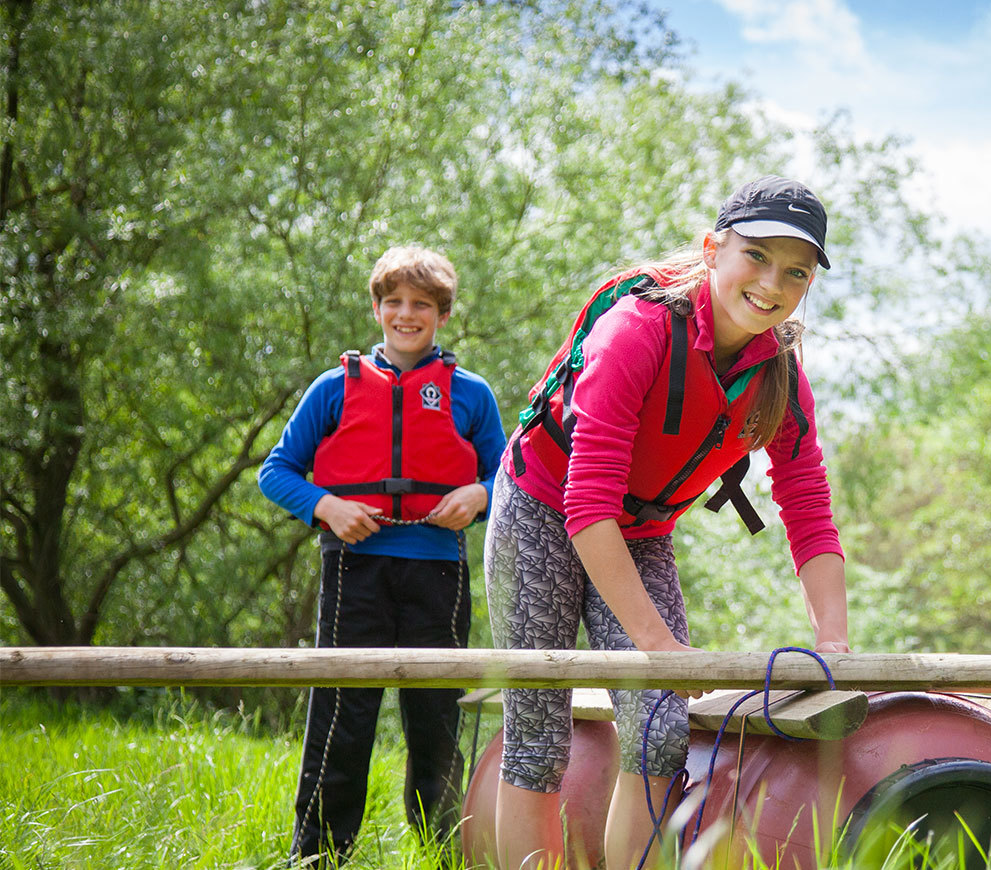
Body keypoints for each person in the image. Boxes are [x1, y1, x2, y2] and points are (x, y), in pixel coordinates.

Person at [485, 176, 850, 870]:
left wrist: (832, 638)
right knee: (537, 737)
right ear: (714, 249)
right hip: (542, 503)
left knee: (658, 731)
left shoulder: (779, 373)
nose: (771, 284)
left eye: (795, 272)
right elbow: (585, 501)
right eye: (756, 256)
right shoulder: (638, 330)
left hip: (641, 530)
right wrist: (656, 644)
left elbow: (807, 505)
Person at [258, 246, 508, 865]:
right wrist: (326, 507)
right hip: (354, 569)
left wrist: (478, 493)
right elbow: (277, 471)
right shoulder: (333, 387)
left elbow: (514, 477)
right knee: (342, 718)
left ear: (442, 315)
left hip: (438, 572)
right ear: (376, 309)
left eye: (421, 304)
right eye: (394, 302)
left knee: (435, 725)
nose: (406, 313)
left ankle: (441, 853)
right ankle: (317, 857)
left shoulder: (471, 394)